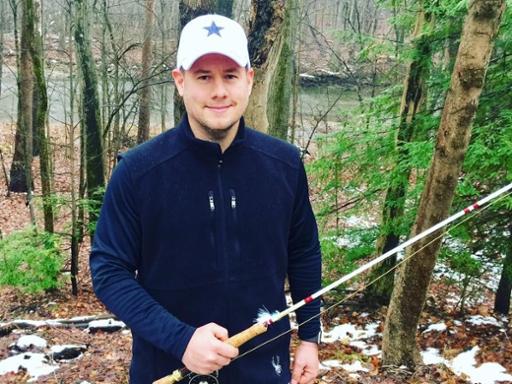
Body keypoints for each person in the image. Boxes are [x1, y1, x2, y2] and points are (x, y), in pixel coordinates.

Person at [90, 14, 322, 384]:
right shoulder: (138, 171)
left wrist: (310, 338)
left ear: (249, 79)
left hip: (265, 371)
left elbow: (305, 252)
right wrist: (181, 340)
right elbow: (108, 271)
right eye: (203, 77)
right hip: (167, 368)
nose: (219, 91)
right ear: (180, 81)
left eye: (230, 75)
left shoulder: (284, 165)